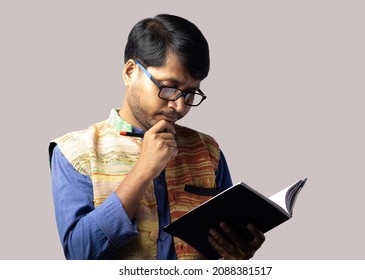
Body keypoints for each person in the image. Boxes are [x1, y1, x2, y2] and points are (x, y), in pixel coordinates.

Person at [49, 14, 265, 260]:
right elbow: (79, 254)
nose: (180, 106)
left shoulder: (208, 150)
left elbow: (224, 248)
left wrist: (236, 252)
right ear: (130, 72)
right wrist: (143, 171)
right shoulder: (74, 151)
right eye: (169, 88)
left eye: (191, 93)